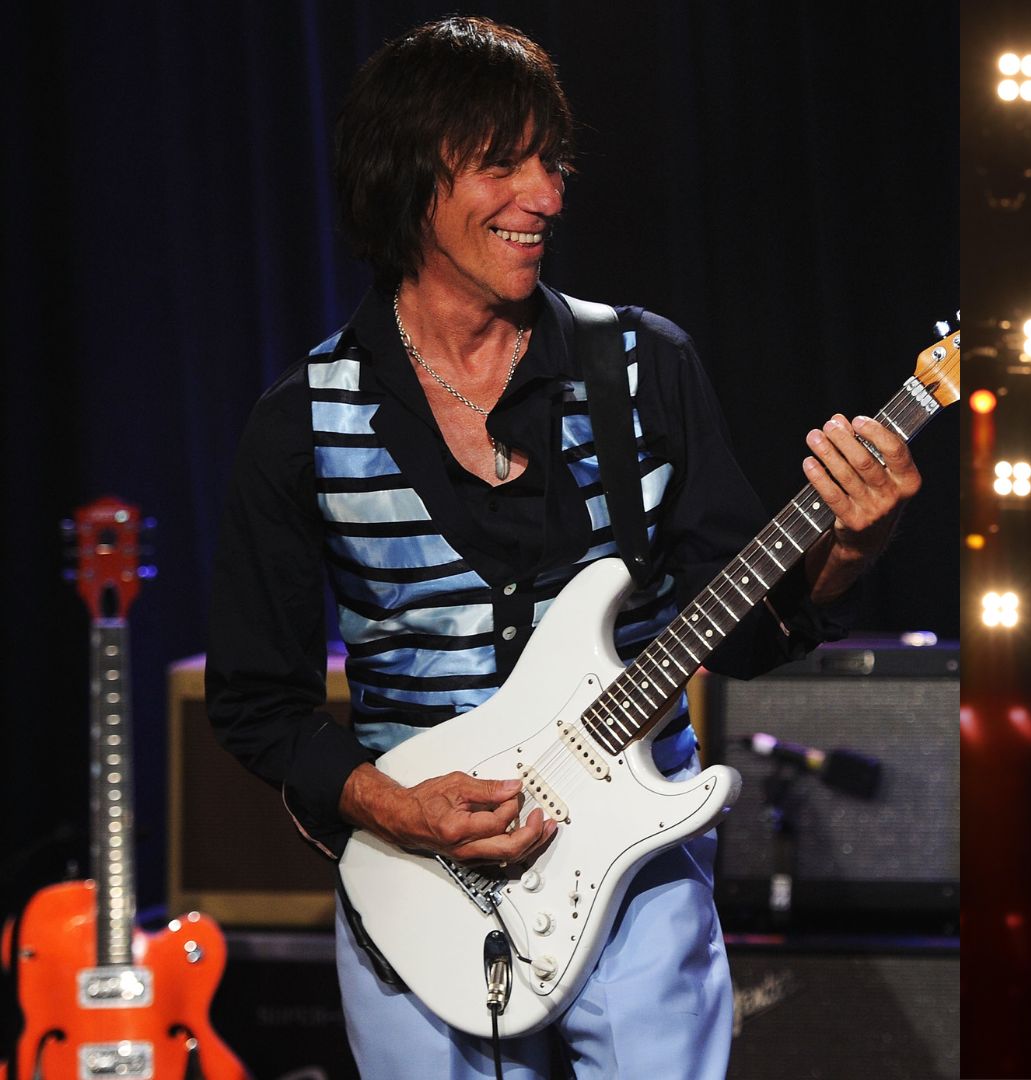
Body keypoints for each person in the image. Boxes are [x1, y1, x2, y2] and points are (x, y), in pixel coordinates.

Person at [206, 16, 917, 1078]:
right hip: (418, 890)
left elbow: (735, 630)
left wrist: (850, 549)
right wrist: (397, 807)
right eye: (504, 164)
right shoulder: (302, 421)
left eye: (553, 163)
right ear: (408, 178)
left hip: (636, 874)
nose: (545, 196)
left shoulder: (642, 365)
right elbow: (256, 702)